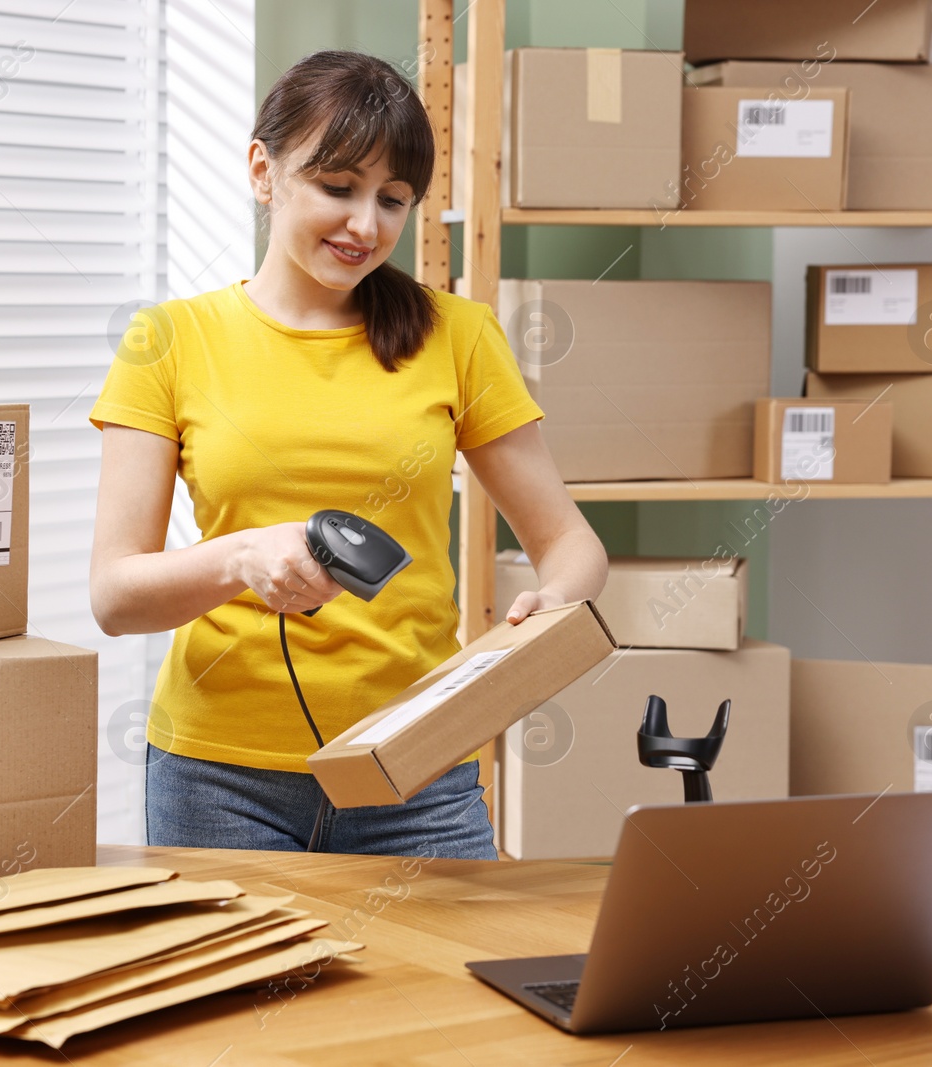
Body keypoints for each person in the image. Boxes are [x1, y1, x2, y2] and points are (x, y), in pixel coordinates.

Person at [88, 50, 608, 858]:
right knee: (249, 991)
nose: (366, 226)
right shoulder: (168, 340)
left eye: (393, 200)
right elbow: (115, 597)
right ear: (264, 171)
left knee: (450, 987)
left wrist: (551, 609)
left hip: (418, 765)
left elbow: (572, 544)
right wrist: (241, 557)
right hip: (219, 778)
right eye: (338, 188)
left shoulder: (458, 336)